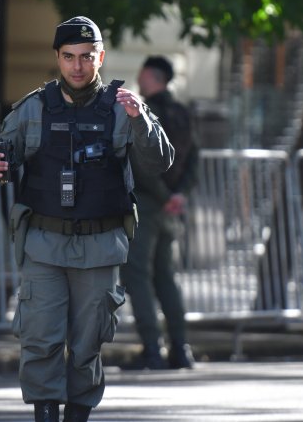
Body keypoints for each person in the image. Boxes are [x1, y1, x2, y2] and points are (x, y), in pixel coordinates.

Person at [0, 16, 174, 422]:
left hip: (100, 246)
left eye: (87, 57)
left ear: (100, 57)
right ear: (58, 58)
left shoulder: (124, 108)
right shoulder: (34, 108)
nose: (78, 66)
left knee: (87, 346)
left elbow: (159, 162)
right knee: (41, 341)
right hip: (44, 245)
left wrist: (140, 121)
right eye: (69, 57)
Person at [120, 55, 198, 371]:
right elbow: (195, 158)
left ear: (151, 77)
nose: (138, 80)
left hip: (148, 204)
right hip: (170, 208)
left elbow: (142, 162)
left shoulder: (143, 113)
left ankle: (152, 348)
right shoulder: (182, 113)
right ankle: (180, 349)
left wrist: (165, 196)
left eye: (141, 75)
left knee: (137, 275)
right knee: (166, 277)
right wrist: (179, 195)